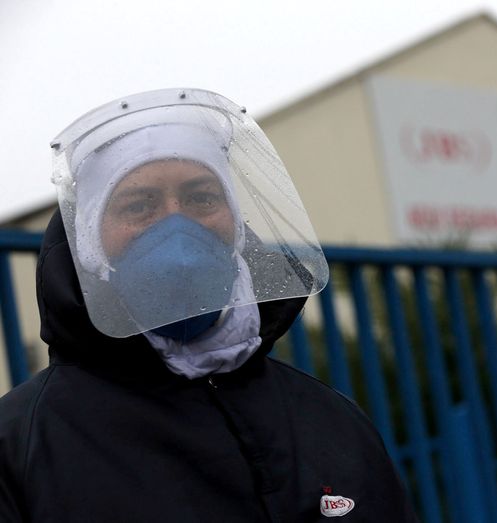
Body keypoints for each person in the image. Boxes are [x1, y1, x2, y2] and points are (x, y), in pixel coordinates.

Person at [0, 88, 418, 522]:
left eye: (202, 198)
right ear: (89, 244)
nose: (176, 228)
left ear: (235, 223)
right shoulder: (22, 447)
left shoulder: (333, 422)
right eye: (139, 205)